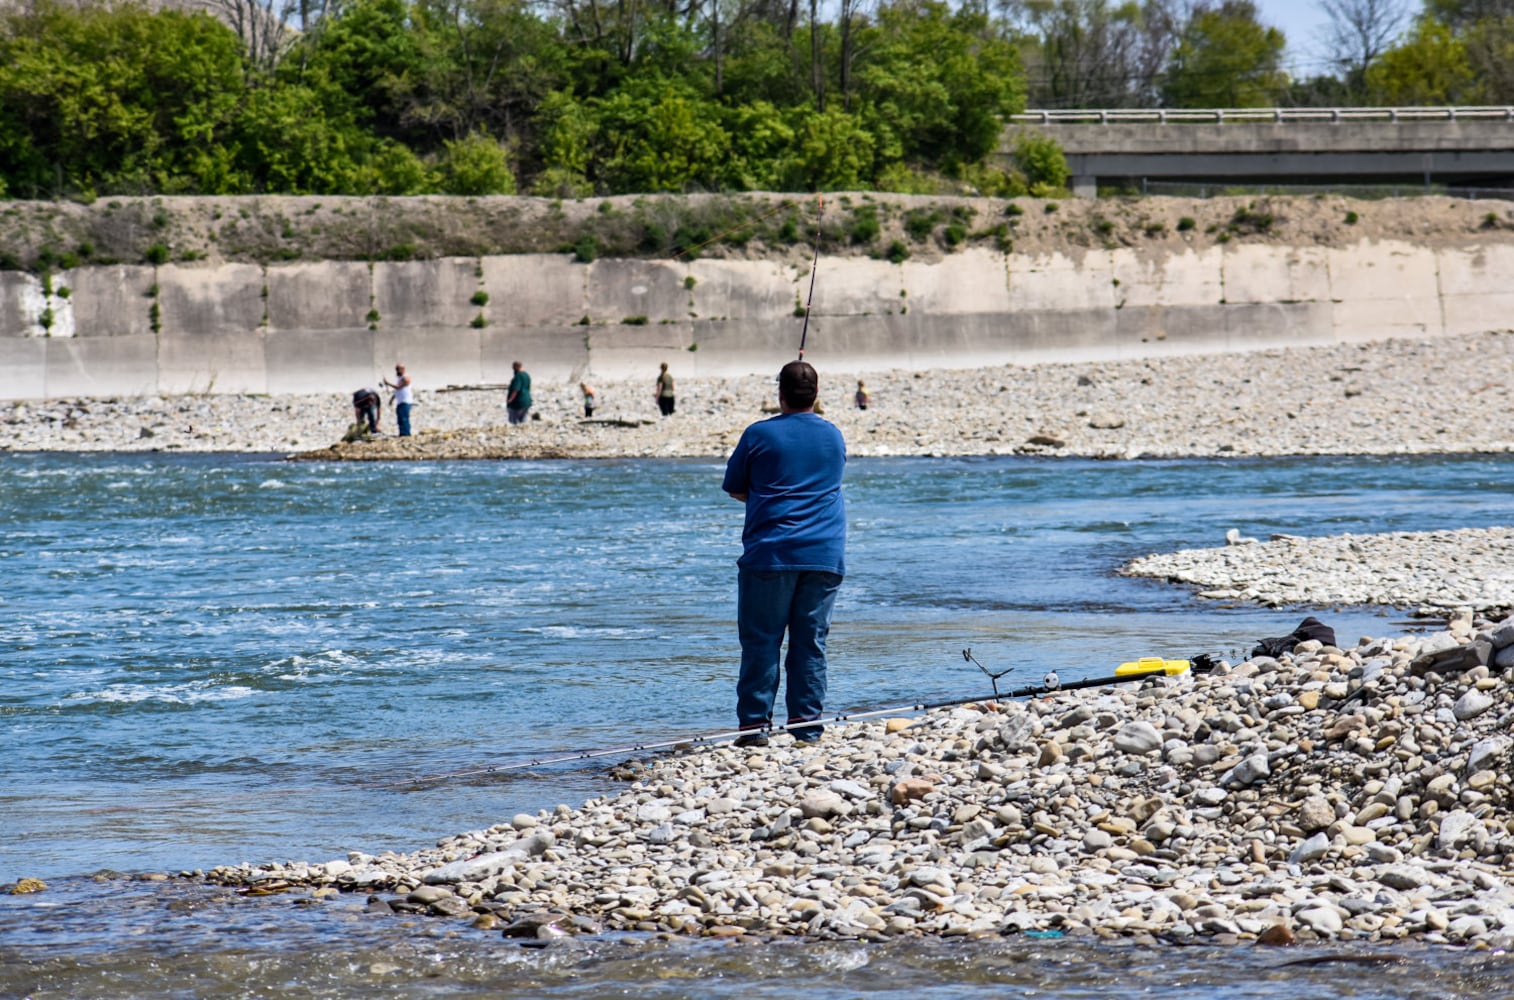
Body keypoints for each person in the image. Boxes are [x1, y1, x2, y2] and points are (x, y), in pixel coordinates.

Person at [721, 360, 846, 747]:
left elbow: (735, 488)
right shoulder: (834, 436)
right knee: (810, 643)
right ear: (817, 394)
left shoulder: (759, 434)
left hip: (770, 555)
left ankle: (755, 729)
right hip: (824, 553)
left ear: (779, 393)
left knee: (762, 641)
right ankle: (806, 727)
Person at [383, 364, 413, 436]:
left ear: (403, 369)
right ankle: (402, 433)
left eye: (398, 369)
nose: (396, 371)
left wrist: (388, 383)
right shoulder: (400, 379)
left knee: (404, 418)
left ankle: (406, 433)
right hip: (400, 402)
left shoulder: (406, 378)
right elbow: (397, 391)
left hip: (405, 401)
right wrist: (392, 399)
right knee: (400, 418)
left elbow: (398, 387)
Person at [506, 360, 532, 425]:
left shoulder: (518, 376)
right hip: (527, 402)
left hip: (518, 403)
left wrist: (510, 400)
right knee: (523, 421)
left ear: (516, 367)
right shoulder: (526, 375)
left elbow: (516, 389)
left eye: (513, 368)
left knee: (513, 422)